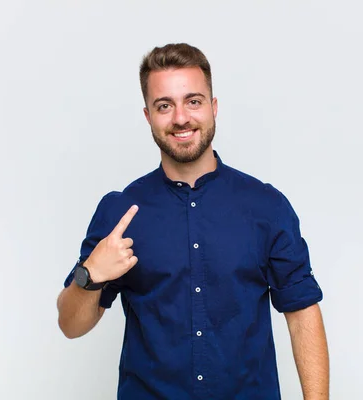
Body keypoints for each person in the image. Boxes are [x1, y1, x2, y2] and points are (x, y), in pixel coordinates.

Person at [56, 43, 329, 399]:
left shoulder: (266, 207)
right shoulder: (120, 212)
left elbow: (302, 315)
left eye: (193, 101)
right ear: (148, 115)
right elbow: (71, 325)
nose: (181, 117)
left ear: (213, 108)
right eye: (164, 105)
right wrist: (89, 276)